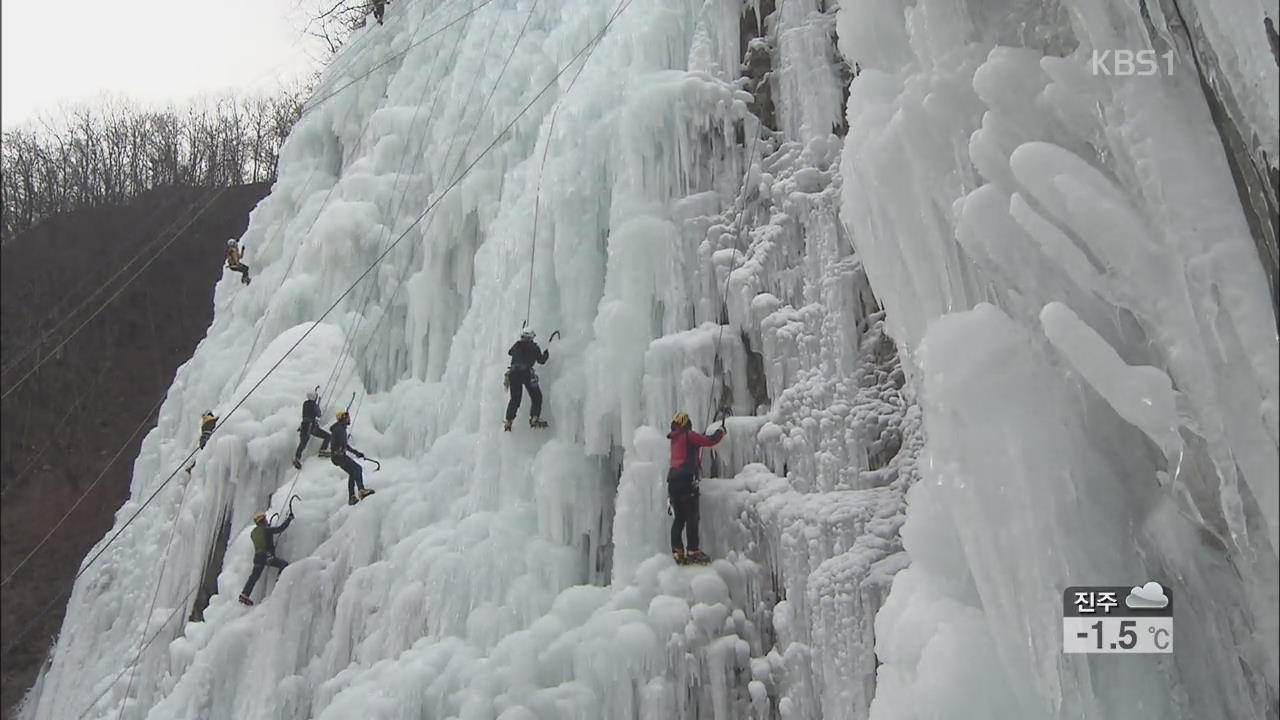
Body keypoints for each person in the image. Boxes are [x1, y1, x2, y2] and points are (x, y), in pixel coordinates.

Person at [666, 410, 724, 565]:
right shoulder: (688, 435)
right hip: (686, 481)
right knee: (692, 517)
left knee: (679, 519)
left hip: (673, 482)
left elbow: (695, 444)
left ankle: (677, 551)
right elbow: (709, 441)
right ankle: (693, 551)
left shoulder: (675, 438)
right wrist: (720, 432)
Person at [239, 509, 293, 605]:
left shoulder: (254, 533)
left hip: (257, 557)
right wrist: (289, 519)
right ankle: (279, 585)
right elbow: (280, 529)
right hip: (266, 556)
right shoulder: (266, 530)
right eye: (265, 519)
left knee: (254, 577)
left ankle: (244, 594)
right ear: (263, 521)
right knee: (284, 565)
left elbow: (264, 537)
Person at [504, 329, 549, 431]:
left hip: (513, 373)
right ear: (531, 338)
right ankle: (534, 418)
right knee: (537, 397)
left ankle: (508, 421)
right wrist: (546, 353)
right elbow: (541, 360)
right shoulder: (534, 347)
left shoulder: (516, 345)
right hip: (526, 374)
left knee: (515, 399)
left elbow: (509, 352)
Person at [330, 409, 375, 505]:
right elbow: (342, 444)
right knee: (357, 469)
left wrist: (356, 452)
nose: (349, 419)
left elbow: (344, 445)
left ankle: (352, 497)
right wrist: (353, 452)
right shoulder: (339, 429)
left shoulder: (340, 428)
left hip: (338, 456)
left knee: (353, 472)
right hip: (339, 456)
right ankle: (361, 491)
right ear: (342, 418)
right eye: (347, 417)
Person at [292, 390, 331, 469]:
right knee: (327, 436)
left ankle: (297, 457)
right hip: (311, 426)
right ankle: (322, 450)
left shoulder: (305, 404)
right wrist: (317, 407)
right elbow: (319, 414)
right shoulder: (314, 405)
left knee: (303, 443)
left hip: (304, 425)